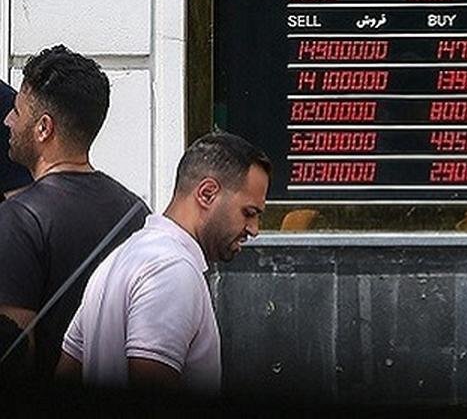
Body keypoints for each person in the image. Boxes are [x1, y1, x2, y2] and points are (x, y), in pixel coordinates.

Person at [57, 131, 270, 392]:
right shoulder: (172, 269)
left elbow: (67, 370)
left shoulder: (119, 259)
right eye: (249, 213)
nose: (254, 229)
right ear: (207, 194)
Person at [0, 46, 149, 381]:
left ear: (43, 128)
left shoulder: (18, 220)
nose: (8, 120)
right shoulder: (137, 214)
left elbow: (15, 356)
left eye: (17, 111)